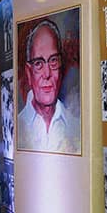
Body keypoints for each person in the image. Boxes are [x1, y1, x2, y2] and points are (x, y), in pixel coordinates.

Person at [18, 19, 80, 154]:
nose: (47, 74)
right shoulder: (16, 127)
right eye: (39, 63)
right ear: (29, 72)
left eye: (53, 61)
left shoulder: (77, 127)